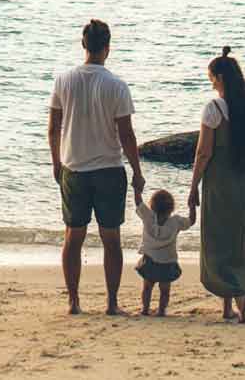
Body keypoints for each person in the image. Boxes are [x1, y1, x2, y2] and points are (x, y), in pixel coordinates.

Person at [47, 19, 146, 315]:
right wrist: (138, 172)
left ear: (83, 45)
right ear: (107, 48)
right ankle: (112, 302)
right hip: (108, 169)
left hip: (73, 168)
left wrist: (56, 162)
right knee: (111, 238)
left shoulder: (63, 80)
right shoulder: (116, 85)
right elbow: (126, 134)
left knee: (73, 237)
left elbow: (53, 127)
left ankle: (74, 300)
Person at [188, 46, 245, 323]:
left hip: (219, 181)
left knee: (219, 239)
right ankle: (243, 303)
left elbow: (203, 152)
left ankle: (226, 306)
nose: (210, 82)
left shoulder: (214, 109)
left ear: (220, 77)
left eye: (211, 77)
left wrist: (193, 187)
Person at [133, 189, 194, 316]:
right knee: (165, 290)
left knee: (147, 287)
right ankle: (161, 310)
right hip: (168, 262)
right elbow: (191, 221)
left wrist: (137, 189)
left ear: (152, 206)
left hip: (149, 261)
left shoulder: (148, 217)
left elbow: (138, 203)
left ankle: (145, 309)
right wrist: (192, 205)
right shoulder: (176, 221)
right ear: (171, 208)